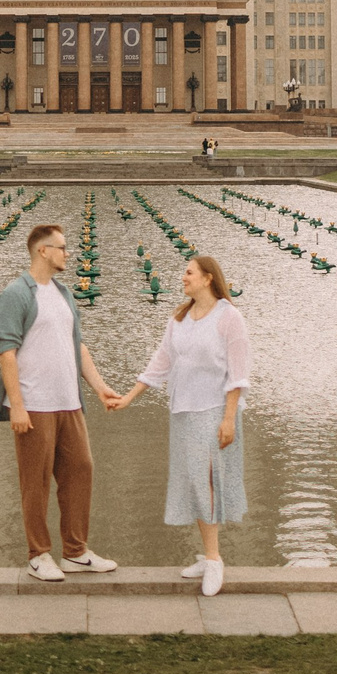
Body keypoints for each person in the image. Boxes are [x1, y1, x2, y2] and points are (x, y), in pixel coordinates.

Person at [110, 254, 250, 596]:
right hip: (183, 411)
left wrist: (229, 418)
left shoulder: (229, 317)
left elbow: (238, 373)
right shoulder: (180, 318)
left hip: (214, 410)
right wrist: (129, 397)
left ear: (207, 278)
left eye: (189, 272)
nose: (183, 278)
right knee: (194, 483)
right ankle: (209, 555)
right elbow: (161, 362)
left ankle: (214, 560)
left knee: (207, 482)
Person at [0, 222, 123, 582]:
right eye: (62, 248)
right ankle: (38, 555)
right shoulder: (16, 294)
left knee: (81, 470)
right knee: (35, 483)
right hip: (35, 405)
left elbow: (77, 345)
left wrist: (100, 387)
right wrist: (17, 405)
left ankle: (75, 552)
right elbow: (7, 353)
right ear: (43, 251)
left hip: (69, 403)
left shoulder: (64, 293)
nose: (68, 253)